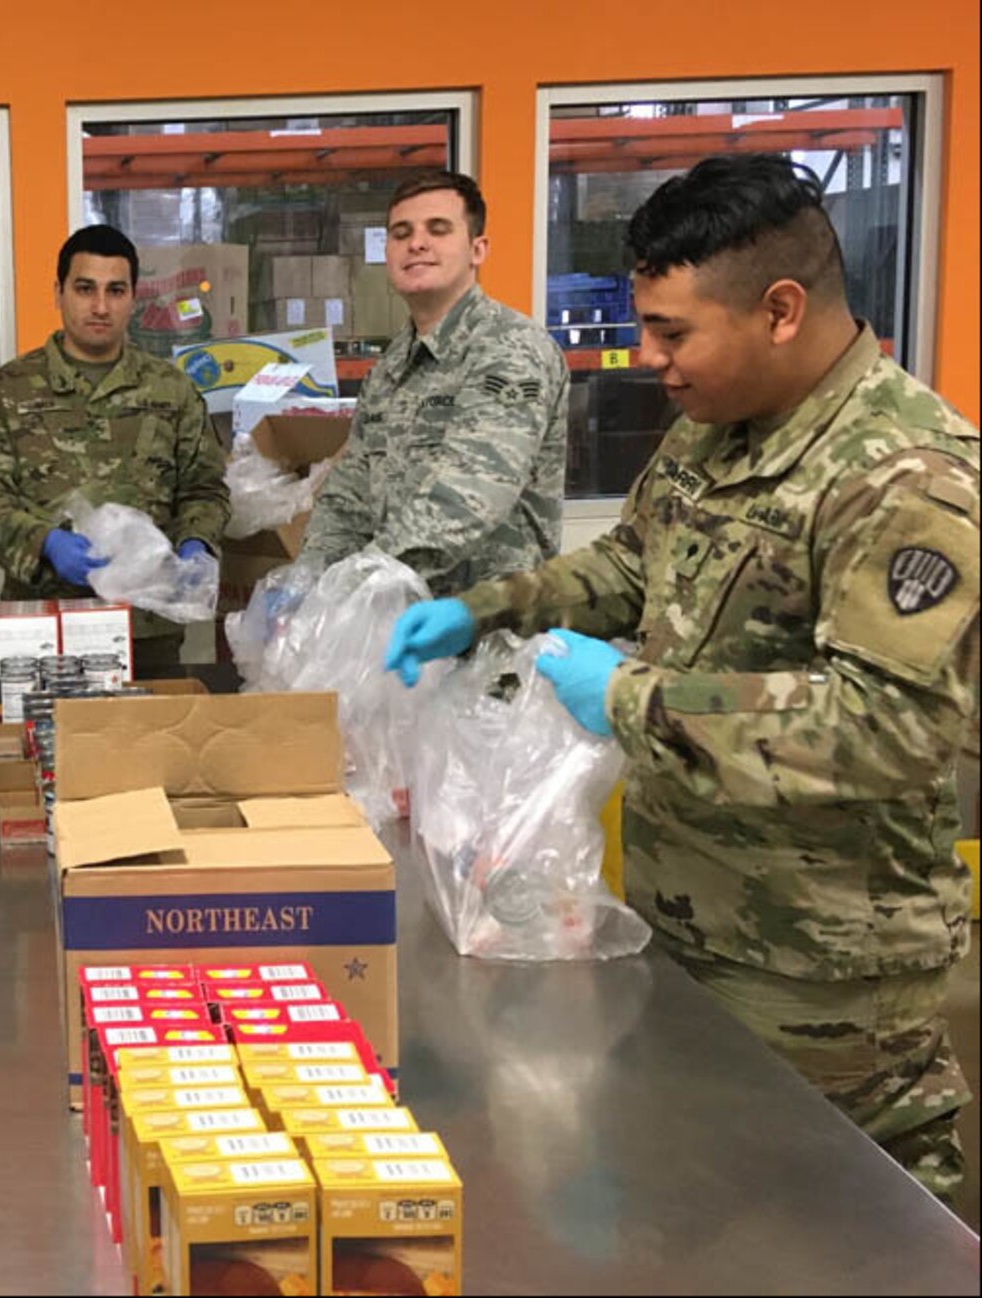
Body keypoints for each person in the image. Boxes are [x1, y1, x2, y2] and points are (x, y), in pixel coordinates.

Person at [385, 154, 978, 1198]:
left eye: (671, 331)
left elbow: (888, 723)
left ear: (780, 309)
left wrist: (628, 697)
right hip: (684, 914)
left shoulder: (903, 473)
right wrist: (482, 611)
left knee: (838, 1233)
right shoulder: (711, 429)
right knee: (704, 1210)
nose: (646, 355)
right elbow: (626, 563)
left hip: (822, 965)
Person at [0, 224, 229, 671]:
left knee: (150, 741)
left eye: (115, 290)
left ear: (133, 299)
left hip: (145, 630)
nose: (100, 306)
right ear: (58, 292)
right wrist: (44, 542)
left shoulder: (170, 389)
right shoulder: (9, 391)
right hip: (42, 627)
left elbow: (205, 488)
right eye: (85, 289)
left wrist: (196, 541)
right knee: (46, 740)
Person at [300, 171, 568, 596]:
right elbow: (349, 492)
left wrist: (356, 586)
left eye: (438, 230)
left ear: (477, 249)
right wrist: (308, 579)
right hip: (397, 625)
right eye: (400, 233)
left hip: (488, 632)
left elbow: (470, 497)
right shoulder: (390, 365)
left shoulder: (510, 349)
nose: (417, 243)